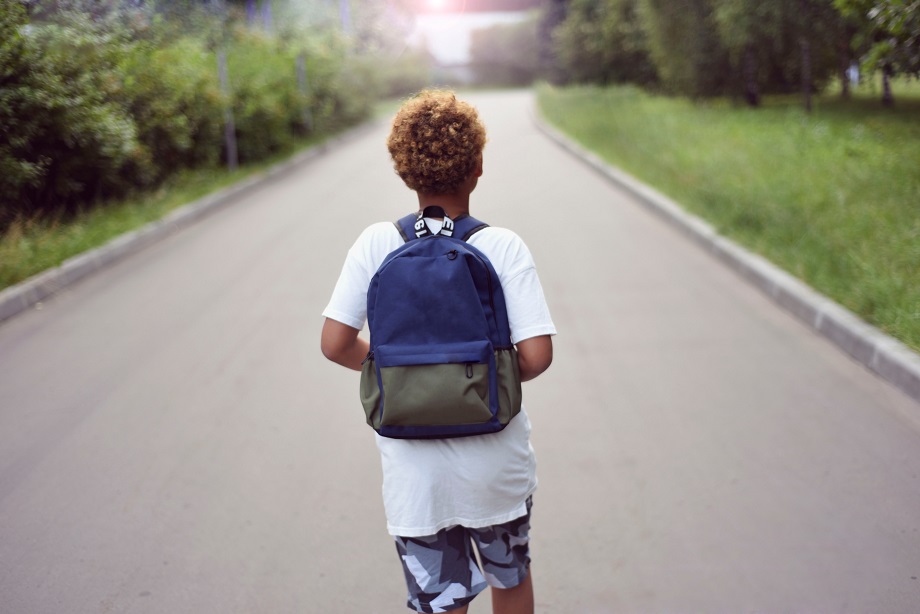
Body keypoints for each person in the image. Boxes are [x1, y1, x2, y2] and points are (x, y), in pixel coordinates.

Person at [320, 90, 556, 614]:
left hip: (415, 475)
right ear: (477, 166)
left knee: (441, 600)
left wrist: (409, 375)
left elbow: (334, 343)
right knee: (510, 579)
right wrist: (472, 378)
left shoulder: (375, 243)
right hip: (495, 464)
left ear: (405, 171)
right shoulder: (504, 246)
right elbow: (536, 357)